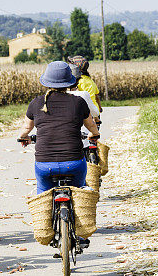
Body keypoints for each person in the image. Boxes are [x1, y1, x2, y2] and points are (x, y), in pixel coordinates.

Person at [18, 61, 101, 194]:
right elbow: (91, 125)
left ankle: (44, 210)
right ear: (70, 82)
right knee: (79, 191)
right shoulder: (78, 102)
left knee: (43, 192)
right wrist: (94, 134)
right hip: (74, 163)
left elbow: (26, 128)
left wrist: (23, 138)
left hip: (45, 164)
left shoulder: (36, 102)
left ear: (46, 81)